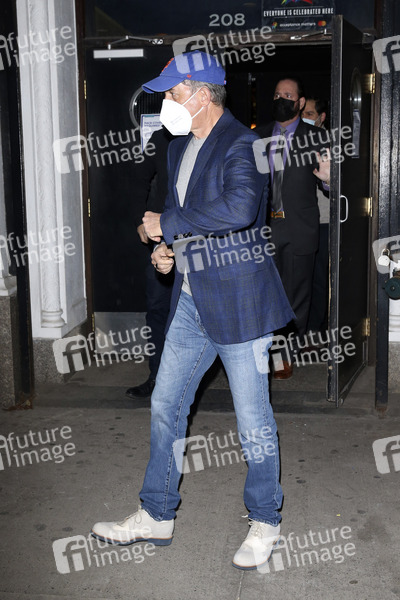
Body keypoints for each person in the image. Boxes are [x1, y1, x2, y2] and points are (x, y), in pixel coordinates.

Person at [91, 51, 294, 571]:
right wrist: (167, 250)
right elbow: (183, 218)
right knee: (166, 404)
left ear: (203, 94)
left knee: (253, 419)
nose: (166, 102)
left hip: (240, 305)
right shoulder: (179, 146)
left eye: (173, 92)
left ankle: (265, 519)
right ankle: (156, 513)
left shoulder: (244, 144)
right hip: (189, 300)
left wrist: (167, 225)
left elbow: (238, 209)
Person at [256, 78, 330, 379]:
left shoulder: (316, 137)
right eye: (276, 94)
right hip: (264, 227)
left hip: (299, 227)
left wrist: (329, 180)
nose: (281, 99)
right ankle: (267, 350)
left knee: (297, 295)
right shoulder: (257, 136)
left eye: (287, 95)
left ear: (299, 103)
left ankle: (284, 355)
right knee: (266, 293)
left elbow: (330, 182)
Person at [126, 127, 174, 399]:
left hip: (201, 237)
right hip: (162, 235)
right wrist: (139, 221)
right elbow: (138, 179)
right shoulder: (161, 137)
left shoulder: (211, 134)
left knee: (206, 310)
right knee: (158, 309)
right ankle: (157, 378)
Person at [302, 97, 330, 336]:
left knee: (319, 278)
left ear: (322, 117)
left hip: (323, 221)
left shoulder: (330, 143)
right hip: (298, 222)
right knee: (301, 278)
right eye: (303, 113)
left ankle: (314, 329)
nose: (305, 118)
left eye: (310, 114)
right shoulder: (296, 142)